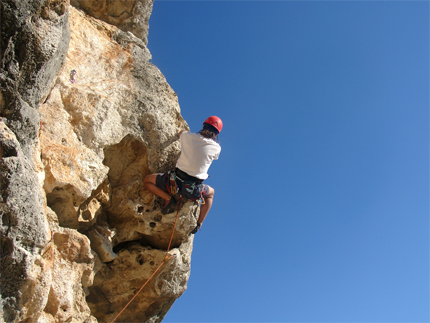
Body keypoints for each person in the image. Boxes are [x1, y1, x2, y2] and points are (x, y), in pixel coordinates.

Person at [143, 116, 222, 234]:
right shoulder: (216, 148)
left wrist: (184, 132)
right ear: (216, 133)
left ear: (204, 125)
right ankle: (199, 223)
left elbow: (182, 133)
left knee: (147, 181)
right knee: (211, 194)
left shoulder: (188, 137)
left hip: (173, 183)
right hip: (194, 190)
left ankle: (168, 198)